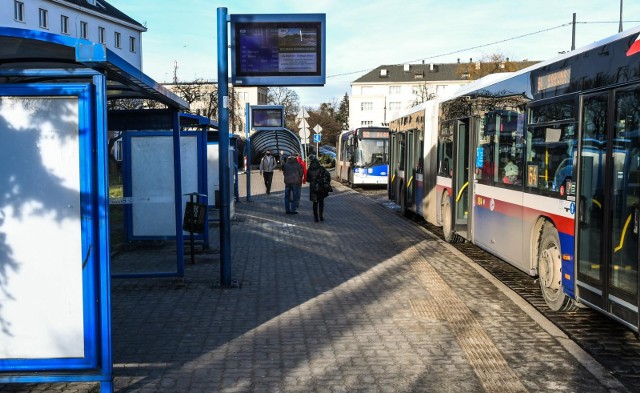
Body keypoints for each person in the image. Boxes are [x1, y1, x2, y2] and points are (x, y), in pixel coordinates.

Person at [307, 155, 332, 222]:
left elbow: (308, 179)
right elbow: (328, 175)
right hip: (321, 187)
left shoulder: (309, 169)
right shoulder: (321, 168)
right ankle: (321, 216)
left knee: (315, 203)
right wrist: (327, 182)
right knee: (321, 202)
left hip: (313, 188)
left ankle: (316, 218)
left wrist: (312, 180)